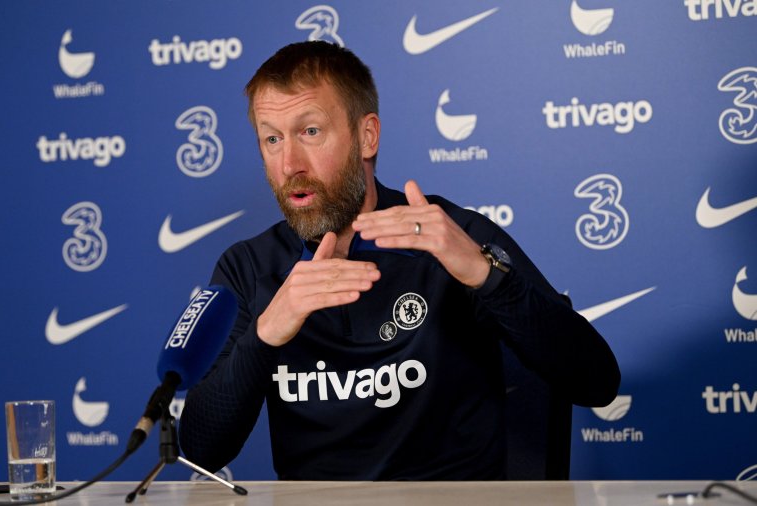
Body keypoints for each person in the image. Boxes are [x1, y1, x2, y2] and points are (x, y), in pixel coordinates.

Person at [178, 40, 620, 480]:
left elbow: (597, 382)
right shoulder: (248, 266)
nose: (289, 162)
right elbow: (201, 451)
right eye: (272, 138)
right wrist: (266, 334)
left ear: (366, 136)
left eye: (310, 132)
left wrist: (487, 276)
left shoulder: (452, 236)